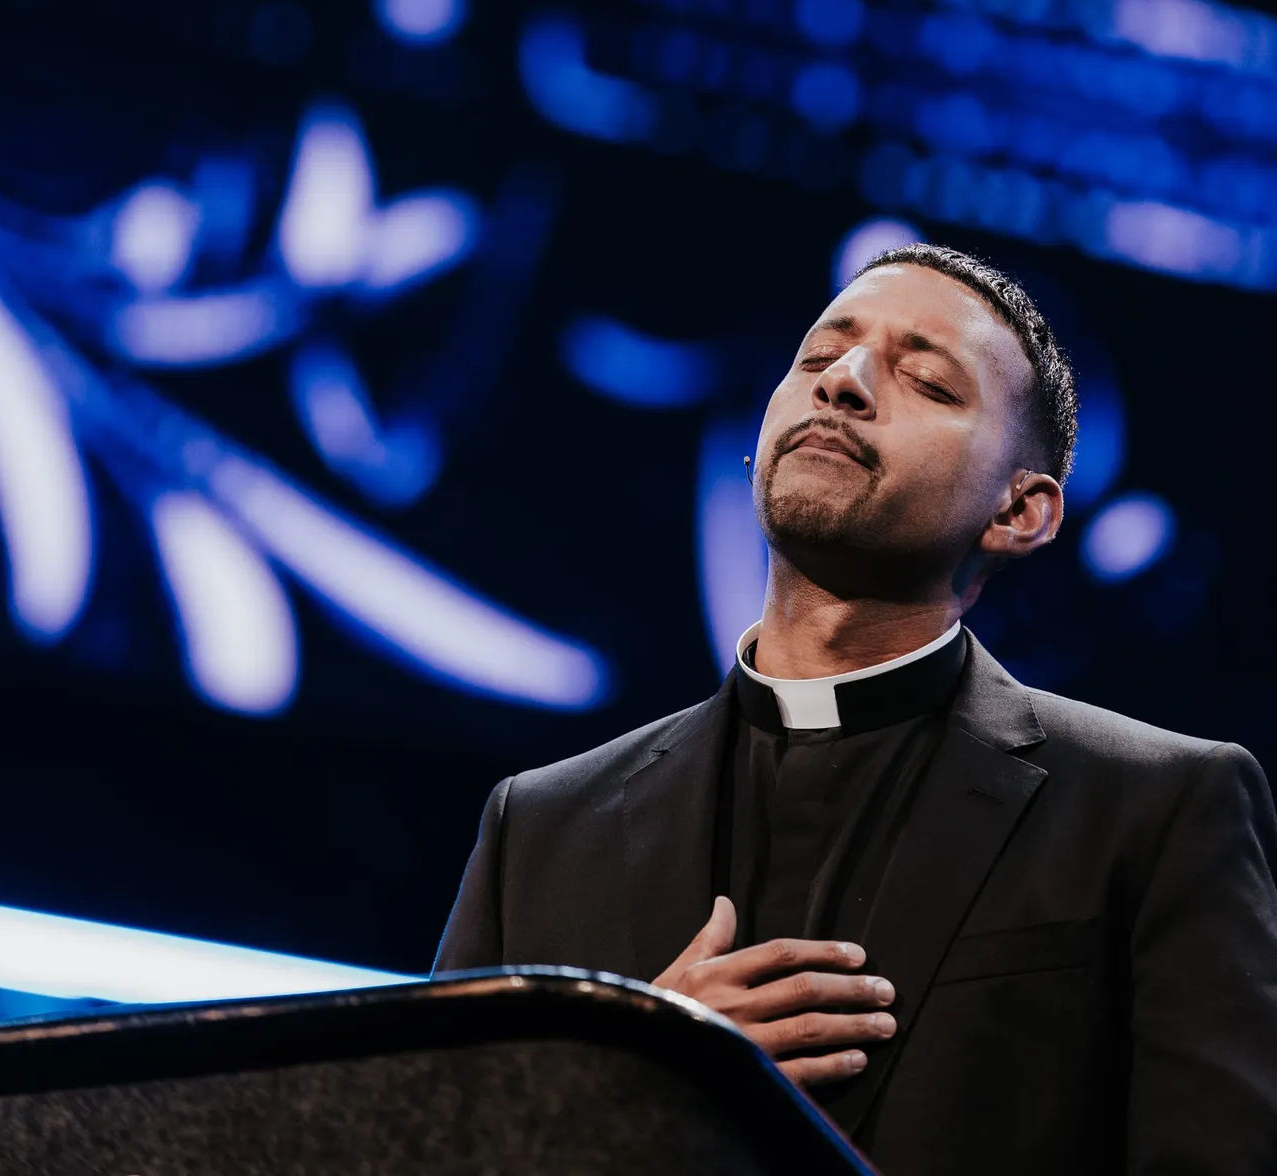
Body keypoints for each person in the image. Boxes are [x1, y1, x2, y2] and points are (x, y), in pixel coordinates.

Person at [433, 243, 1277, 1174]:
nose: (844, 382)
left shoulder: (1154, 811)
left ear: (1020, 511)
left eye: (927, 380)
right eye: (816, 357)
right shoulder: (541, 830)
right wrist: (619, 1087)